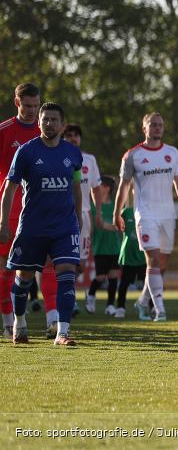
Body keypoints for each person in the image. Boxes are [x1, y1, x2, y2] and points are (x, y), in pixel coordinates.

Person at [0, 102, 82, 346]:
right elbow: (10, 188)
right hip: (33, 226)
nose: (49, 123)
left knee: (67, 274)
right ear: (39, 123)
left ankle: (62, 332)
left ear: (62, 124)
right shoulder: (25, 152)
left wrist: (78, 218)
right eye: (45, 119)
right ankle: (19, 322)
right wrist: (3, 222)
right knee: (23, 277)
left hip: (64, 226)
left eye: (54, 120)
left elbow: (77, 189)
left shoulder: (73, 153)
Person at [113, 113, 178, 323]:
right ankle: (159, 309)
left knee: (162, 264)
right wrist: (117, 213)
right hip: (145, 214)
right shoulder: (132, 155)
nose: (157, 128)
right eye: (153, 124)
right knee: (153, 260)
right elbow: (124, 187)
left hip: (167, 215)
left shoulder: (172, 153)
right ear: (144, 128)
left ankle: (142, 300)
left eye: (160, 125)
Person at [0, 83, 60, 339]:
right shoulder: (4, 132)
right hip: (11, 211)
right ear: (17, 102)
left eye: (36, 106)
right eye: (27, 106)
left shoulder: (47, 134)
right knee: (6, 268)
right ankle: (8, 320)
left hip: (41, 211)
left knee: (48, 264)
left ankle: (53, 321)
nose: (32, 111)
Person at [61, 124, 102, 277]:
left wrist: (97, 212)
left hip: (83, 214)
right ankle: (61, 297)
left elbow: (96, 188)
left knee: (81, 265)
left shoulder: (90, 160)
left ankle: (67, 295)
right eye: (69, 135)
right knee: (59, 260)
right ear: (63, 138)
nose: (73, 138)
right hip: (61, 213)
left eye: (76, 135)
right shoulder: (57, 157)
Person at [85, 176, 121, 315]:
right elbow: (96, 226)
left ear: (106, 188)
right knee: (100, 277)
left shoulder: (116, 207)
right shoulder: (94, 208)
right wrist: (112, 227)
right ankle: (91, 295)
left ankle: (110, 305)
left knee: (113, 277)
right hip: (100, 247)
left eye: (100, 185)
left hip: (114, 247)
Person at [114, 202, 146, 318]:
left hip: (144, 254)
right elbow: (116, 224)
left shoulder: (147, 210)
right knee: (124, 283)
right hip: (129, 254)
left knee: (148, 283)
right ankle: (120, 308)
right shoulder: (126, 212)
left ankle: (152, 307)